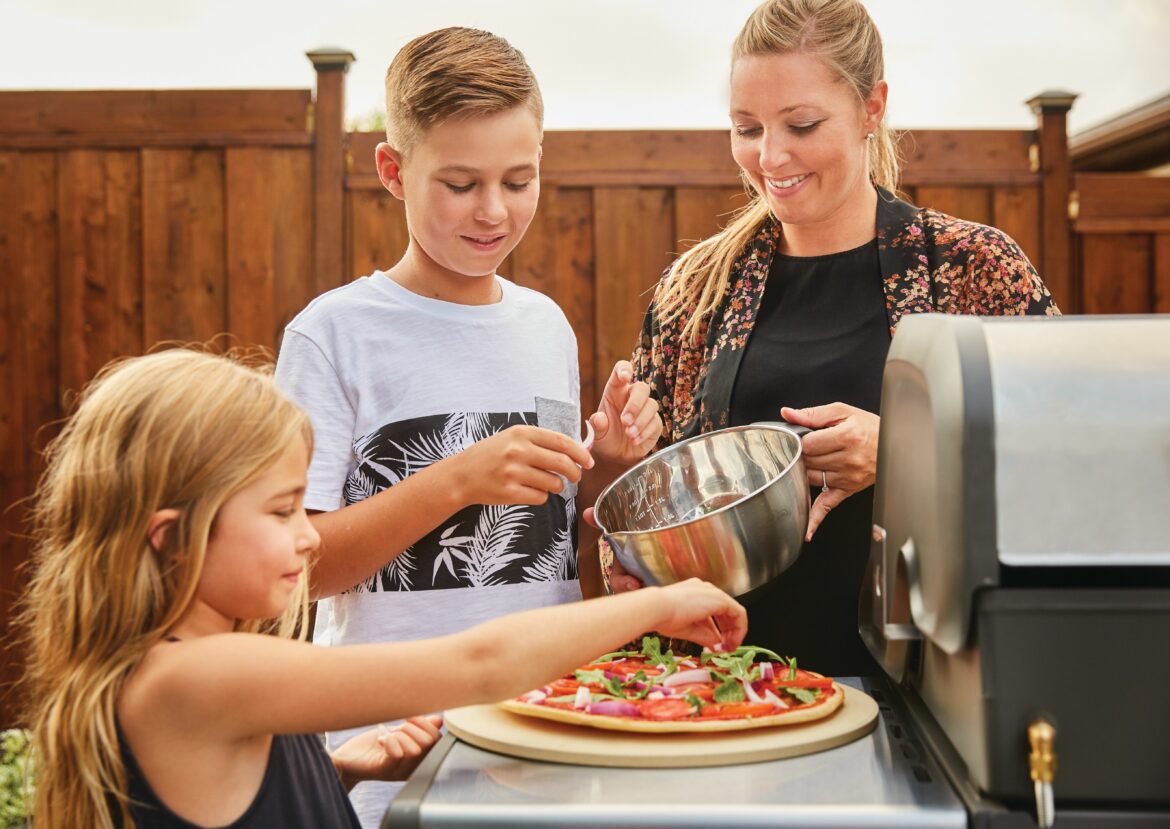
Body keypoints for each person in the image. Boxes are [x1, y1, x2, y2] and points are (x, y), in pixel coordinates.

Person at [18, 349, 745, 829]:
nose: (308, 535)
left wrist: (328, 767)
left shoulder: (200, 663)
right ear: (171, 536)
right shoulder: (191, 674)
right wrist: (658, 601)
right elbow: (479, 666)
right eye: (280, 511)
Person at [600, 0, 1059, 677]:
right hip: (725, 695)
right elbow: (646, 524)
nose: (769, 156)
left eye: (802, 124)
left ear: (872, 106)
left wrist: (902, 453)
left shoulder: (973, 268)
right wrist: (616, 462)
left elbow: (1067, 459)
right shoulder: (694, 291)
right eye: (746, 127)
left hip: (929, 699)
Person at [273, 27, 661, 824]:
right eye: (459, 183)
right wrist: (455, 479)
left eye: (519, 180)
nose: (493, 210)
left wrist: (610, 468)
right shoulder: (332, 335)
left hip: (545, 744)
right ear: (393, 170)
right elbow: (303, 569)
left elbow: (555, 557)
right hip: (386, 759)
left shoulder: (546, 327)